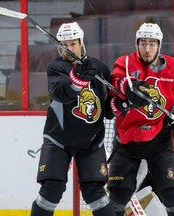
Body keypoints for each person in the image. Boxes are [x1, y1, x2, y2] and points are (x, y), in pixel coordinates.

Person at [107, 23, 174, 216]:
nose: (147, 49)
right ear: (137, 44)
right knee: (117, 200)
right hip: (127, 139)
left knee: (173, 197)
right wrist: (127, 87)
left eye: (152, 44)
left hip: (160, 139)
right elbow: (115, 80)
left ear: (159, 45)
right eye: (143, 44)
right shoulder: (127, 63)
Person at [30, 22, 116, 216]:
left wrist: (124, 103)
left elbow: (110, 110)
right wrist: (78, 78)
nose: (69, 49)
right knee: (52, 190)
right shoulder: (56, 67)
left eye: (73, 44)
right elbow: (62, 93)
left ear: (81, 43)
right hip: (59, 139)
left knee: (95, 193)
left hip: (92, 141)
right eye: (64, 45)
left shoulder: (99, 68)